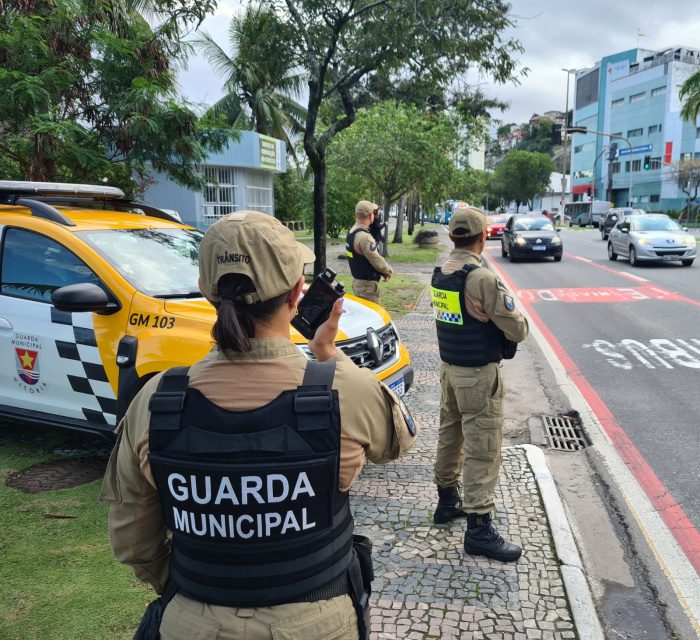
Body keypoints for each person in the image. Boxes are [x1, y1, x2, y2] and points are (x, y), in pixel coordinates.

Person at [100, 210, 417, 639]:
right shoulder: (344, 389)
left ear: (206, 294)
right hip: (318, 624)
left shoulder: (156, 400)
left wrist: (201, 587)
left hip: (193, 622)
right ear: (297, 293)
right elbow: (398, 441)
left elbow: (133, 541)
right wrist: (330, 356)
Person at [430, 205, 529, 563]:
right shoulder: (481, 278)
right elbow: (516, 328)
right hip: (477, 375)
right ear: (483, 236)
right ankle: (479, 528)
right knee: (482, 447)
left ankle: (446, 502)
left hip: (449, 371)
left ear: (452, 235)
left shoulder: (442, 271)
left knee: (450, 434)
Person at [345, 200, 393, 304]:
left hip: (358, 283)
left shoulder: (351, 232)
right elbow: (376, 259)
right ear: (371, 216)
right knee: (373, 318)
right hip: (367, 287)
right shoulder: (365, 237)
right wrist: (388, 270)